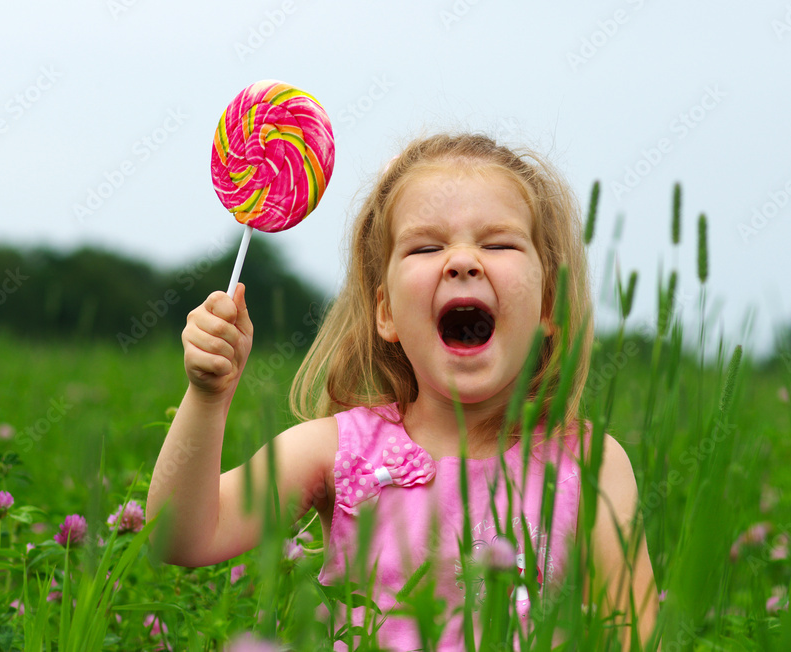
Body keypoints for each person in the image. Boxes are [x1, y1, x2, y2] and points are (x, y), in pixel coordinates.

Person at [146, 133, 659, 650]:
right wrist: (208, 398)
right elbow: (178, 536)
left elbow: (637, 635)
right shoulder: (340, 450)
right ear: (386, 311)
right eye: (427, 247)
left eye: (498, 244)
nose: (462, 261)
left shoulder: (589, 464)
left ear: (549, 304)